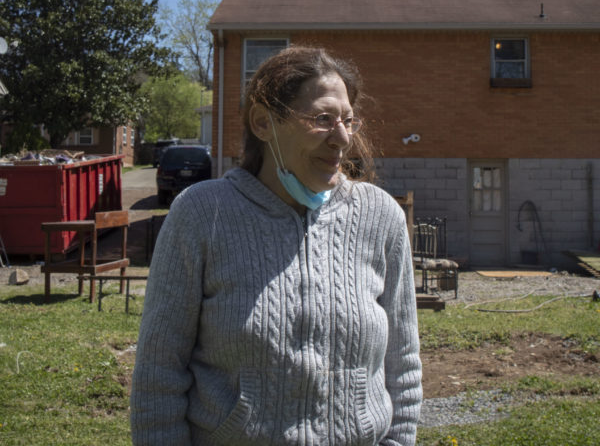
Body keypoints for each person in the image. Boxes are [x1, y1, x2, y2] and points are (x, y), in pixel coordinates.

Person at [130, 47, 422, 445]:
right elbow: (158, 374)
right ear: (263, 122)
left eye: (348, 121)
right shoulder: (202, 214)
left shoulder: (381, 217)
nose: (342, 138)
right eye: (322, 119)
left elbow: (403, 364)